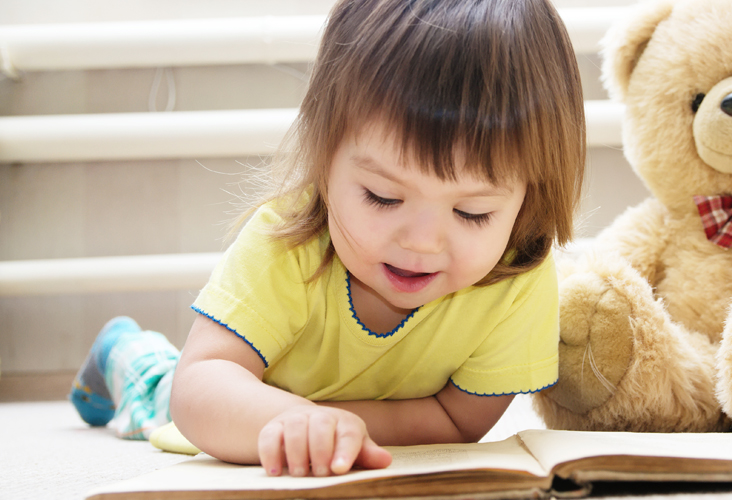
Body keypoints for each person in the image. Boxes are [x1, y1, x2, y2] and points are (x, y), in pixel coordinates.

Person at [70, 0, 585, 478]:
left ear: (528, 198)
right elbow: (199, 386)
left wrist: (331, 427)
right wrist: (290, 419)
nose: (423, 243)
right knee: (155, 385)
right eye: (383, 197)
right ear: (323, 158)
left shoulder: (518, 275)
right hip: (246, 398)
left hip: (318, 414)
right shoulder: (288, 242)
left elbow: (458, 422)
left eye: (472, 213)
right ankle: (123, 349)